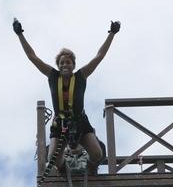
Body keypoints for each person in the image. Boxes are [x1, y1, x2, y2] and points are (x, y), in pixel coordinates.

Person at [13, 18, 120, 175]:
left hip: (80, 122)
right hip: (60, 124)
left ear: (73, 65)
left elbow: (99, 57)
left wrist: (112, 34)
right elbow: (32, 57)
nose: (65, 65)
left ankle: (89, 170)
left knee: (97, 154)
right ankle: (64, 171)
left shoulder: (81, 77)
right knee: (53, 157)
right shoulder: (53, 76)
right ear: (58, 65)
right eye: (62, 62)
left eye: (68, 62)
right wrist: (20, 34)